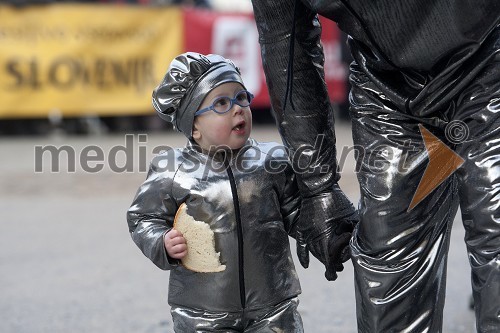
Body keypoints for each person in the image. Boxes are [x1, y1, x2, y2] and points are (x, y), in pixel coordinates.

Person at [250, 0, 500, 332]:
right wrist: (317, 186)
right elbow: (285, 39)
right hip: (388, 84)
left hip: (489, 53)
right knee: (388, 274)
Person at [127, 52, 312, 332]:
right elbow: (143, 218)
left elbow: (295, 210)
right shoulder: (172, 170)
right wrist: (161, 241)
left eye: (241, 98)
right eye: (222, 103)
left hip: (273, 301)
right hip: (202, 309)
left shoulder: (271, 161)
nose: (238, 109)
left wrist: (321, 231)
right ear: (194, 126)